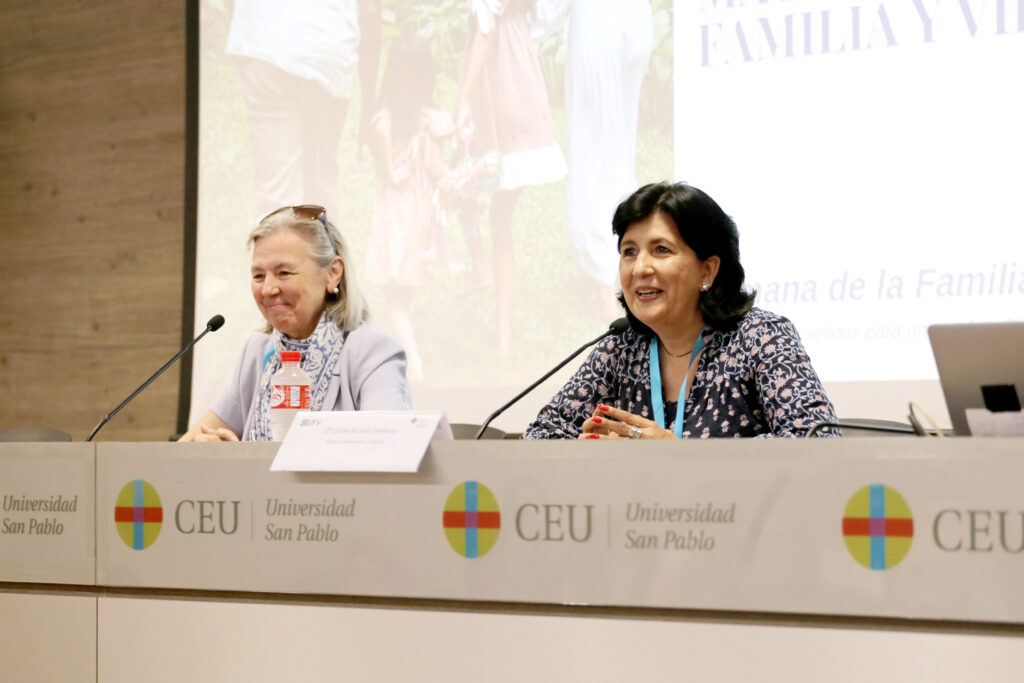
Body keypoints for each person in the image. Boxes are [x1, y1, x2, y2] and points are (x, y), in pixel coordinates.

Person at [523, 182, 838, 439]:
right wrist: (582, 454)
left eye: (661, 250)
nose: (640, 267)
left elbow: (816, 442)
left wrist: (679, 457)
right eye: (629, 251)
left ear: (707, 271)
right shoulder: (619, 350)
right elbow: (539, 439)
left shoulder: (760, 338)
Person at [180, 205, 411, 442]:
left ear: (333, 273)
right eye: (258, 276)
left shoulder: (373, 352)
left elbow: (386, 449)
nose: (268, 289)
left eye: (284, 273)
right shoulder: (257, 353)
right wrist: (209, 449)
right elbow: (182, 450)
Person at [454, 0, 567, 355]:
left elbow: (485, 35)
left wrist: (462, 99)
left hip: (496, 101)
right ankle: (503, 329)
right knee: (499, 218)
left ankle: (480, 268)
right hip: (522, 92)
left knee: (461, 186)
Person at [365, 34, 452, 384]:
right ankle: (413, 360)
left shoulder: (383, 121)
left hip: (396, 213)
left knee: (397, 295)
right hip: (417, 214)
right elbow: (435, 169)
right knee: (403, 291)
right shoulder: (428, 121)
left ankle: (413, 364)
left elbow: (390, 174)